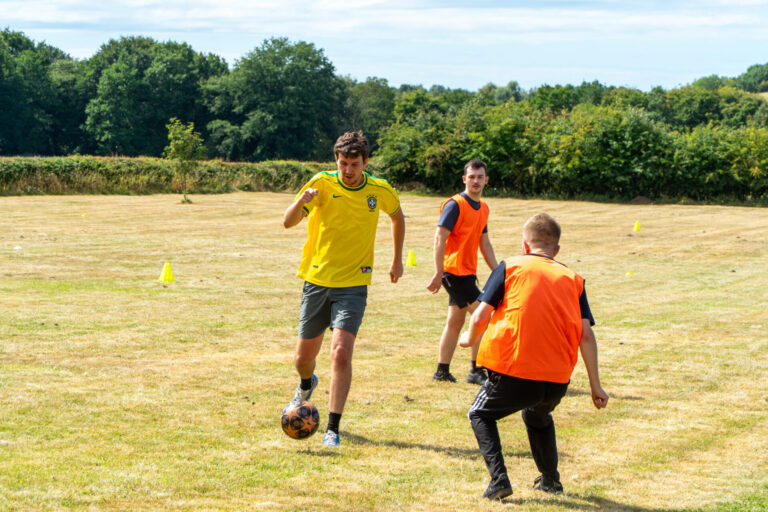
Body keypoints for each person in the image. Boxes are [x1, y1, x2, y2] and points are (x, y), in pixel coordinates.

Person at [458, 213, 609, 500]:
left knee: (479, 414)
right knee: (538, 414)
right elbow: (586, 335)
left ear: (525, 246)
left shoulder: (510, 267)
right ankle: (551, 480)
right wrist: (595, 386)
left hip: (515, 370)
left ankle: (499, 480)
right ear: (557, 250)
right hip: (556, 380)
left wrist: (467, 339)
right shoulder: (574, 279)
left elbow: (480, 314)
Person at [282, 131, 405, 448]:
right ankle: (307, 383)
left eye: (354, 164)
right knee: (302, 359)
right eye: (342, 163)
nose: (347, 170)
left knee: (340, 353)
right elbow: (287, 222)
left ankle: (332, 428)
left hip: (354, 284)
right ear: (335, 160)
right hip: (318, 280)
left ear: (365, 162)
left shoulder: (380, 190)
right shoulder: (322, 183)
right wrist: (301, 201)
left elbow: (396, 215)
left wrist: (396, 260)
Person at [426, 159, 498, 385]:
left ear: (486, 180)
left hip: (467, 273)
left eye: (480, 177)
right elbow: (440, 238)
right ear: (464, 179)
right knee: (482, 317)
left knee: (455, 322)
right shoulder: (455, 205)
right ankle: (476, 371)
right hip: (453, 273)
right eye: (472, 177)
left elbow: (484, 244)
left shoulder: (483, 208)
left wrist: (498, 272)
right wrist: (438, 272)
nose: (476, 181)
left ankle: (442, 371)